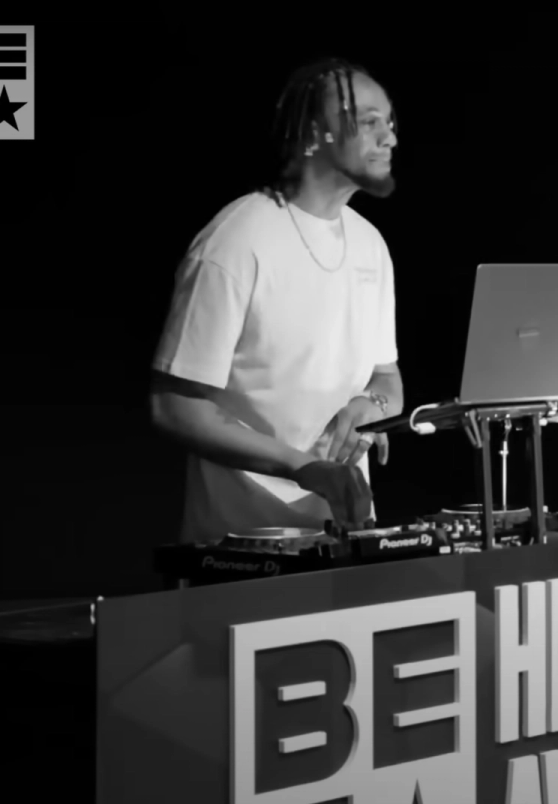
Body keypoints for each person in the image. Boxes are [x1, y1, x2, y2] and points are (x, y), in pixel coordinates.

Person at [149, 57, 404, 542]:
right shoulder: (235, 242)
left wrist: (368, 405)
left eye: (389, 123)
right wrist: (302, 466)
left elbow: (386, 377)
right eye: (370, 122)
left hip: (347, 539)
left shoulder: (370, 243)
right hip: (242, 546)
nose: (389, 138)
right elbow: (175, 407)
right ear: (314, 133)